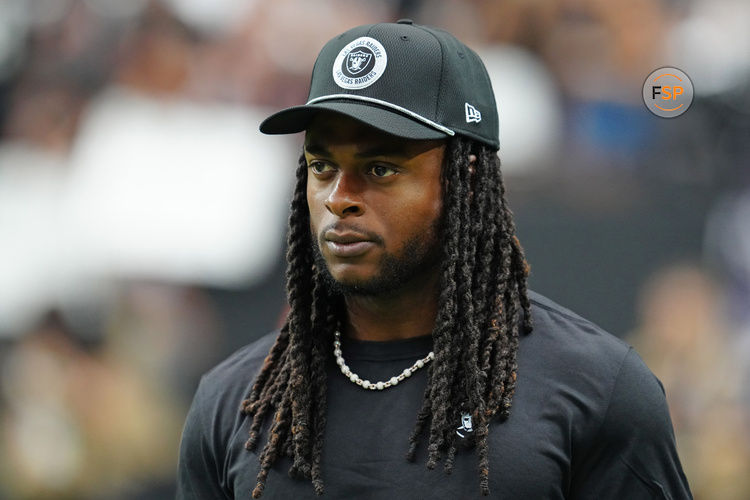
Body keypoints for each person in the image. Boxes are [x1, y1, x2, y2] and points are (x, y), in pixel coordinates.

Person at [177, 20, 692, 499]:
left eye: (379, 168)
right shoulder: (233, 401)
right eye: (322, 165)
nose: (339, 197)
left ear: (464, 179)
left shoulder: (598, 393)